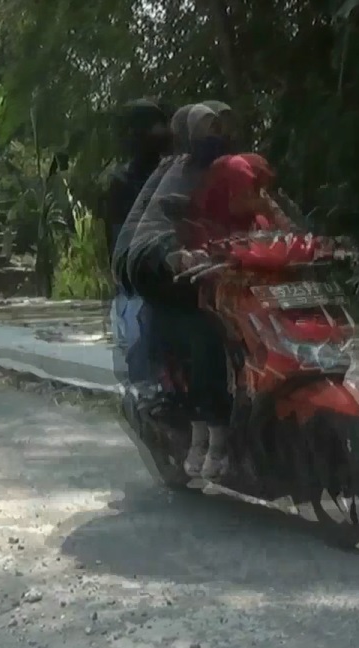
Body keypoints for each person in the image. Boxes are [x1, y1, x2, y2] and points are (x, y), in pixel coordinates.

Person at [123, 102, 242, 480]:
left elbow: (269, 205)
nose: (217, 137)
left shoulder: (235, 168)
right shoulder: (175, 175)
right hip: (174, 286)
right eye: (208, 129)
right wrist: (173, 256)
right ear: (189, 136)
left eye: (221, 128)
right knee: (208, 335)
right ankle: (211, 434)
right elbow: (151, 230)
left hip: (230, 278)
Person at [106, 100, 174, 387]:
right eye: (152, 127)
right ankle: (148, 391)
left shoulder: (177, 171)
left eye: (162, 125)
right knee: (140, 331)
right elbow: (119, 237)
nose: (160, 132)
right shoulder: (121, 180)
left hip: (182, 268)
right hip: (142, 274)